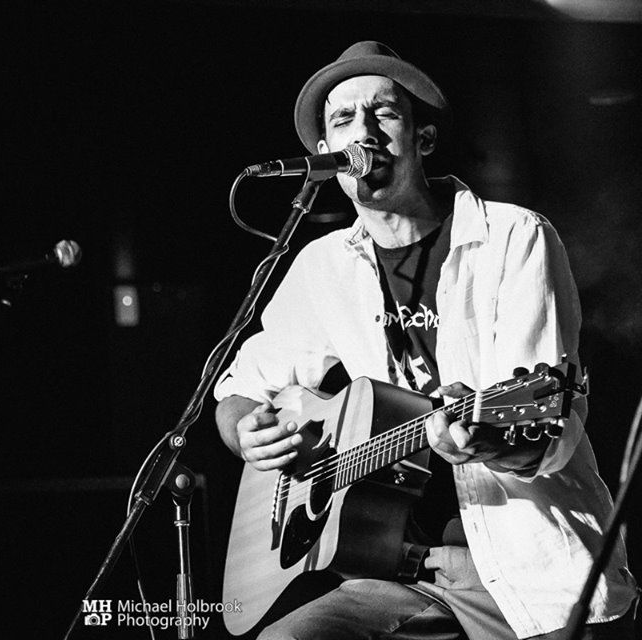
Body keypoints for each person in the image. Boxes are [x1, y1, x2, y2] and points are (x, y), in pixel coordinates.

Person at [214, 41, 638, 639]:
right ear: (326, 153)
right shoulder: (321, 266)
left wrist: (484, 438)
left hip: (525, 565)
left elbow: (550, 426)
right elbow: (238, 390)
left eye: (383, 113)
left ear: (424, 139)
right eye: (343, 119)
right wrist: (246, 431)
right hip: (393, 569)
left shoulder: (512, 237)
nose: (363, 132)